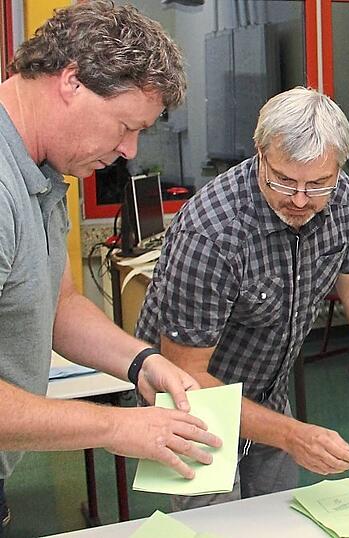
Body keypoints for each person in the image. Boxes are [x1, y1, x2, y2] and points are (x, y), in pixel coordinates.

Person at [135, 86, 349, 510]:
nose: (301, 200)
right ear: (260, 152)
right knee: (211, 526)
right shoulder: (212, 232)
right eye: (284, 180)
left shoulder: (339, 200)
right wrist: (291, 433)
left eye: (318, 183)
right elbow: (186, 379)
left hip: (267, 392)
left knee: (277, 520)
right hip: (194, 410)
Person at [0, 2, 224, 533]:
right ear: (72, 82)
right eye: (125, 126)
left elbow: (60, 307)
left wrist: (142, 361)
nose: (129, 151)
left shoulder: (44, 172)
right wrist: (115, 426)